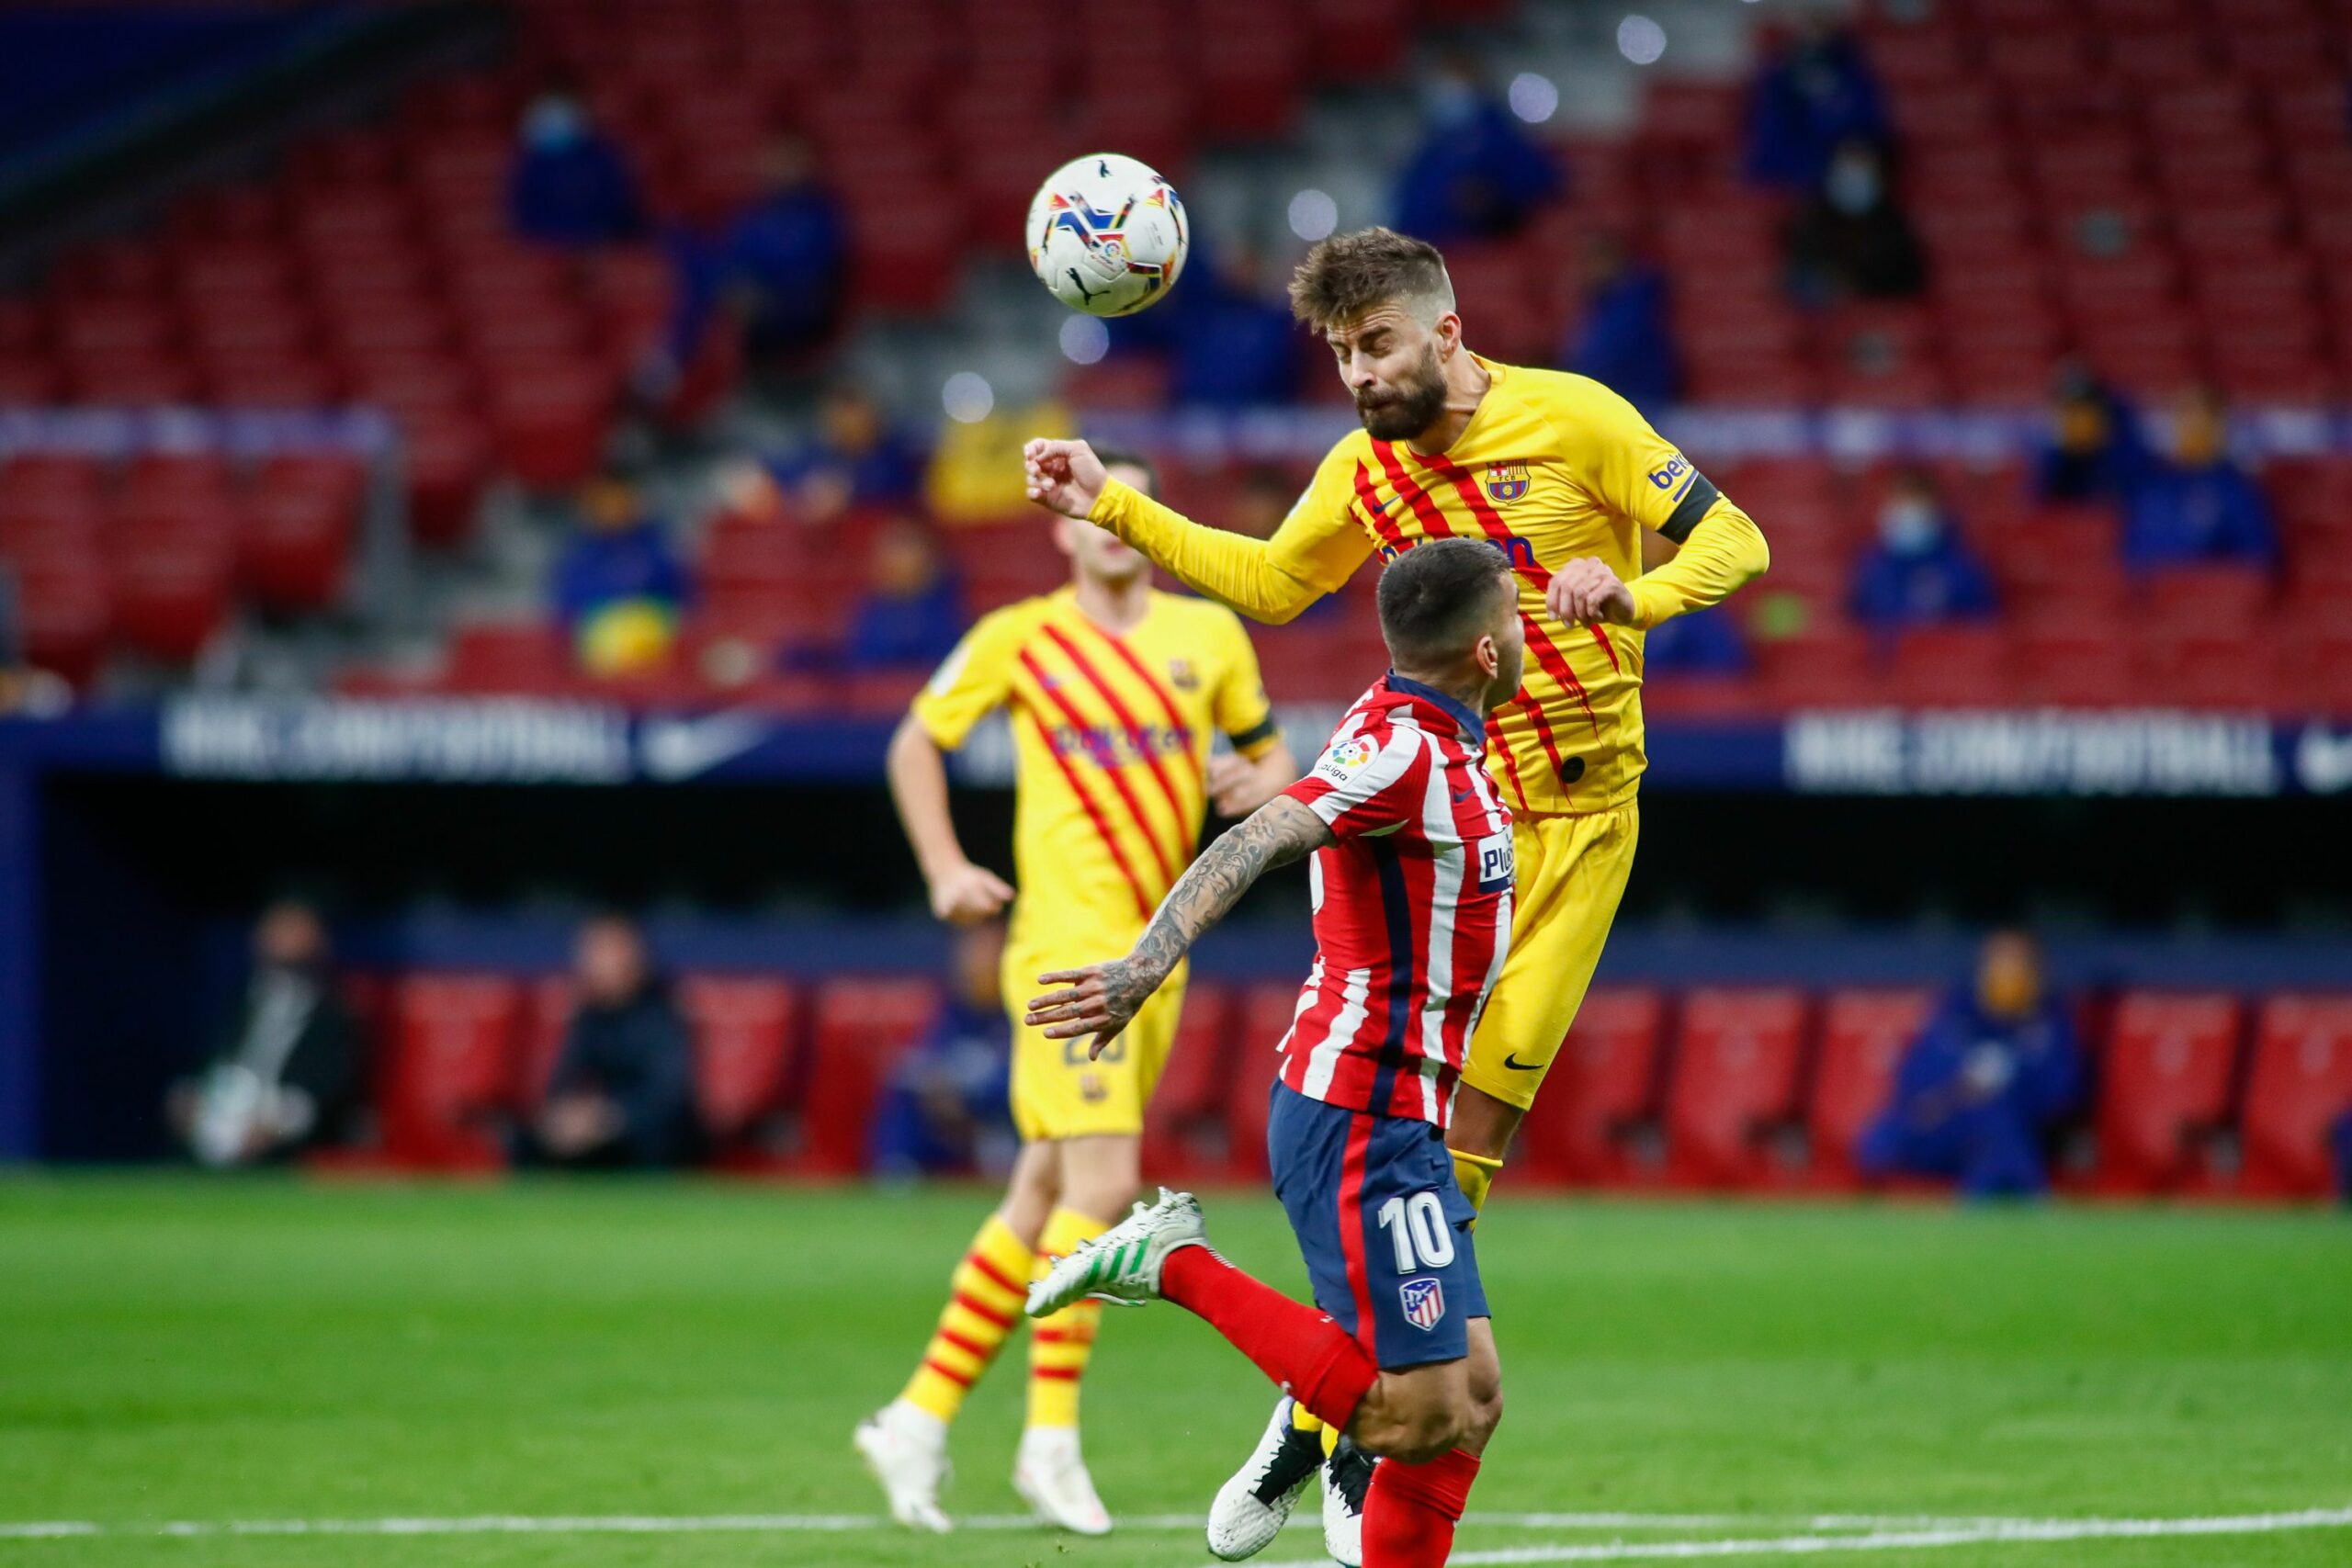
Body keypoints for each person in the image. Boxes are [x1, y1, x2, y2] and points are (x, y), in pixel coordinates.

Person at [1023, 225, 1769, 1560]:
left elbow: (1741, 543)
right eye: (1341, 354)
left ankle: (1320, 1417)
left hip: (1583, 822)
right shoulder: (1365, 472)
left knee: (1469, 1136)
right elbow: (1268, 578)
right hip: (1456, 822)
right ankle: (1340, 1409)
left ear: (1444, 326)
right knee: (1418, 1131)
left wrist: (1633, 594)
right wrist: (1109, 505)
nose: (1360, 375)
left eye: (1375, 345)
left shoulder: (1578, 419)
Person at [1023, 537, 1525, 1568]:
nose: (1527, 636)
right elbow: (1258, 834)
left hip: (1404, 1117)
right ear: (1485, 648)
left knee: (1468, 1403)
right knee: (1407, 1418)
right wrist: (1145, 961)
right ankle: (1172, 1262)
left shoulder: (1434, 730)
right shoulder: (1399, 750)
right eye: (1516, 621)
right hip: (1359, 1114)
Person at [854, 448, 1299, 1536]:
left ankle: (915, 1419)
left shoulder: (1210, 638)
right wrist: (944, 868)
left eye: (1133, 504)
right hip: (1063, 952)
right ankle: (1049, 1440)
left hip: (1163, 949)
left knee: (1041, 1195)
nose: (1110, 525)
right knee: (1104, 1188)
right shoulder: (1021, 636)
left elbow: (1276, 766)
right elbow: (916, 741)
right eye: (1095, 509)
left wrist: (1263, 784)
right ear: (1061, 529)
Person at [1857, 931, 2086, 1200]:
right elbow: (1915, 1088)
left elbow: (2062, 1095)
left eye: (2016, 965)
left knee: (1996, 1124)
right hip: (1944, 1132)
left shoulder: (2048, 1025)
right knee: (1880, 1139)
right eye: (1999, 964)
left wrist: (2010, 1079)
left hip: (2014, 1135)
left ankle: (1991, 1213)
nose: (2007, 974)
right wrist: (1964, 1084)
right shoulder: (1954, 1015)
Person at [168, 900, 364, 1168]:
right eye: (275, 927)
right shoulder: (239, 1002)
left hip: (286, 1148)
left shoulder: (334, 1013)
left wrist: (277, 1126)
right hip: (217, 1131)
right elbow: (207, 1063)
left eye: (293, 928)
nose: (281, 937)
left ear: (319, 939)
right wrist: (190, 1101)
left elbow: (329, 1092)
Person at [652, 132, 848, 385]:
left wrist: (758, 289)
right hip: (747, 294)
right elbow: (732, 252)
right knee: (693, 260)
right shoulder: (757, 210)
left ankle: (671, 360)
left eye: (790, 159)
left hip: (794, 309)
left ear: (810, 164)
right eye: (775, 159)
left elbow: (812, 271)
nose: (779, 167)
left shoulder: (821, 215)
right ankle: (675, 362)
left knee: (704, 277)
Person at [517, 917, 700, 1170]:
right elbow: (562, 1081)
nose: (593, 962)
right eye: (589, 952)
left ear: (635, 957)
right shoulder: (589, 1016)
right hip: (596, 1128)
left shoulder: (663, 1014)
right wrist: (568, 1117)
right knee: (526, 1140)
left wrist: (609, 1118)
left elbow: (668, 1098)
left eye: (605, 951)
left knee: (655, 1140)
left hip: (649, 1132)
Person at [869, 921, 1017, 1180]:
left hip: (1003, 1113)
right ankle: (896, 1174)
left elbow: (1028, 1075)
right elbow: (932, 1057)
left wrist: (977, 1093)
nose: (978, 964)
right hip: (953, 1109)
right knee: (904, 1092)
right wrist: (941, 1086)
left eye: (988, 954)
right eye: (971, 955)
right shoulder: (955, 1007)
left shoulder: (1023, 1004)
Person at [1391, 55, 1564, 243]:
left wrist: (1492, 199)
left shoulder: (1498, 131)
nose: (1444, 92)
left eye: (1452, 84)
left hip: (1470, 249)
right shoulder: (1436, 139)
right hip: (1421, 247)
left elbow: (1539, 182)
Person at [2120, 387, 2280, 573]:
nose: (2190, 429)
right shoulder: (2151, 489)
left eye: (2200, 420)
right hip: (2157, 598)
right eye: (2183, 418)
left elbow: (2257, 563)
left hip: (2212, 598)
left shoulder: (2239, 493)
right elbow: (2132, 556)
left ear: (2219, 427)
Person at [551, 469, 690, 673]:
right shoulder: (578, 555)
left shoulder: (661, 548)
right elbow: (564, 614)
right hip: (595, 668)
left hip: (656, 664)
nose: (613, 507)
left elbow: (687, 605)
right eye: (605, 500)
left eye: (619, 499)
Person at [739, 383, 925, 525]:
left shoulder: (897, 454)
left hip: (874, 557)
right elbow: (777, 473)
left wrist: (848, 492)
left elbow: (898, 489)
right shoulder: (817, 453)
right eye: (839, 412)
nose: (847, 422)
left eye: (854, 411)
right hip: (821, 561)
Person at [1742, 19, 1892, 191]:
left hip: (1835, 175)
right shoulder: (1777, 78)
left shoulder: (1855, 77)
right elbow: (1767, 133)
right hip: (1785, 173)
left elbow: (1868, 127)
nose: (1813, 39)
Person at [1848, 468, 1998, 630]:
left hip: (1945, 654)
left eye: (1916, 508)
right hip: (1886, 655)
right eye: (1899, 507)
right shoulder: (1871, 567)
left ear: (1936, 513)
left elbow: (1985, 633)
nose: (1907, 516)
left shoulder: (1964, 569)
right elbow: (1849, 630)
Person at [1782, 137, 1927, 304]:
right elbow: (1796, 280)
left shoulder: (1893, 227)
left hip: (1878, 314)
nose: (1853, 180)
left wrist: (1860, 284)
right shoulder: (1811, 223)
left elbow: (1910, 282)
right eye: (1847, 172)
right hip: (1827, 318)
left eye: (1860, 170)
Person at [506, 83, 645, 249]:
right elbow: (522, 216)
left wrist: (600, 234)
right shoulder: (528, 166)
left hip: (602, 242)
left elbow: (621, 203)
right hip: (548, 248)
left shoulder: (604, 157)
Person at [1559, 234, 1677, 418]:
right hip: (1614, 401)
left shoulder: (1636, 302)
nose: (1588, 270)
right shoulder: (1597, 303)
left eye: (1595, 262)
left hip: (1643, 401)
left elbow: (1606, 356)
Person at [842, 518, 967, 672]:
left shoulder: (948, 609)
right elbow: (861, 666)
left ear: (927, 556)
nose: (897, 560)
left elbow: (946, 667)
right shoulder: (868, 611)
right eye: (891, 551)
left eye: (905, 549)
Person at [2032, 367, 2149, 505]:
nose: (2077, 422)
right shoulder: (2054, 461)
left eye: (2083, 413)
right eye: (2071, 413)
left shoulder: (2131, 460)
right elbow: (2038, 509)